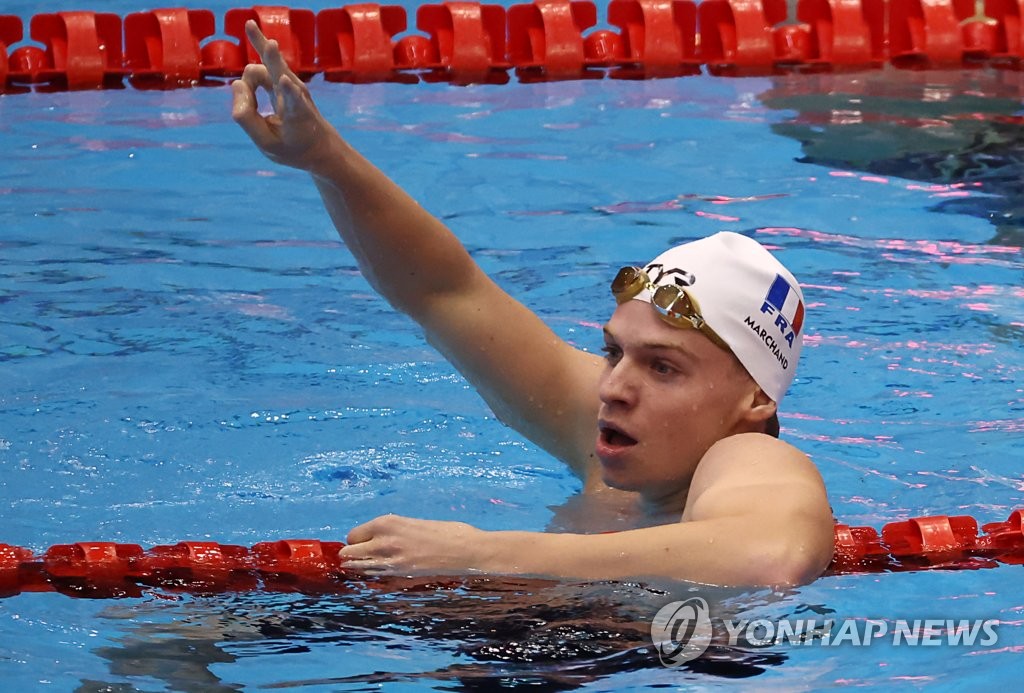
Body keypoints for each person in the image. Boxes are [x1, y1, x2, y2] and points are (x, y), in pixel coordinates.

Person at [231, 21, 834, 587]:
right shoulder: (621, 437)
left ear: (754, 399)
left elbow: (770, 555)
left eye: (663, 366)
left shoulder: (745, 457)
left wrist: (481, 554)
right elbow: (443, 290)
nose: (613, 388)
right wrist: (326, 159)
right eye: (613, 351)